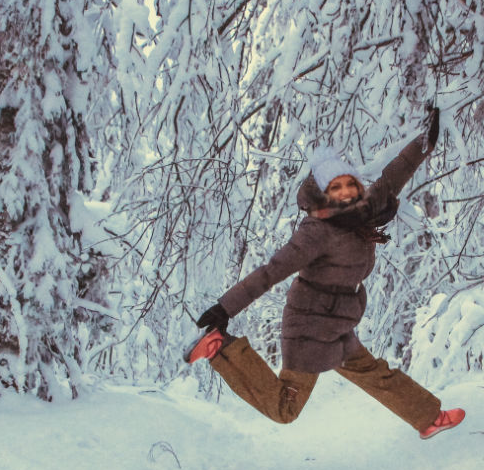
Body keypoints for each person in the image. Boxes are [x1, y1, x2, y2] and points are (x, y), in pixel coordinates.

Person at [184, 106, 466, 440]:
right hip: (311, 326)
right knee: (285, 409)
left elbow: (394, 176)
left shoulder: (363, 211)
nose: (346, 191)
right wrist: (225, 307)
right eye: (336, 187)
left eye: (349, 183)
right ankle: (220, 348)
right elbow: (271, 272)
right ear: (324, 193)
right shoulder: (316, 231)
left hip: (337, 322)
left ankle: (428, 417)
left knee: (373, 372)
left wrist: (425, 143)